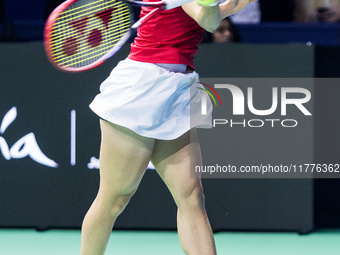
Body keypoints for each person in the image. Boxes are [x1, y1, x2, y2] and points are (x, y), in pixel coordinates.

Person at [80, 0, 256, 254]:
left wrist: (227, 5)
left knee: (192, 195)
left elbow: (224, 10)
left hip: (180, 85)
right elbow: (207, 20)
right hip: (142, 86)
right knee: (114, 198)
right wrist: (213, 4)